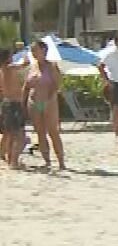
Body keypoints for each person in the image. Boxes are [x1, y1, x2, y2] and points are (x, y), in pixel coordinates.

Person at [24, 39, 65, 171]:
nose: (33, 52)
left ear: (44, 50)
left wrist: (49, 98)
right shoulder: (32, 67)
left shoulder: (52, 66)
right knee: (40, 132)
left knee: (53, 132)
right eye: (32, 50)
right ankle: (47, 161)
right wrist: (23, 102)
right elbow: (26, 86)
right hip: (34, 102)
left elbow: (57, 85)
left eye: (35, 49)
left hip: (48, 102)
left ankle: (61, 161)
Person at [1, 44, 26, 168]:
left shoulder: (3, 70)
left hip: (7, 102)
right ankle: (13, 161)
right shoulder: (9, 68)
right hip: (14, 103)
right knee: (18, 134)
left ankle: (6, 156)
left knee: (9, 132)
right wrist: (24, 51)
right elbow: (24, 64)